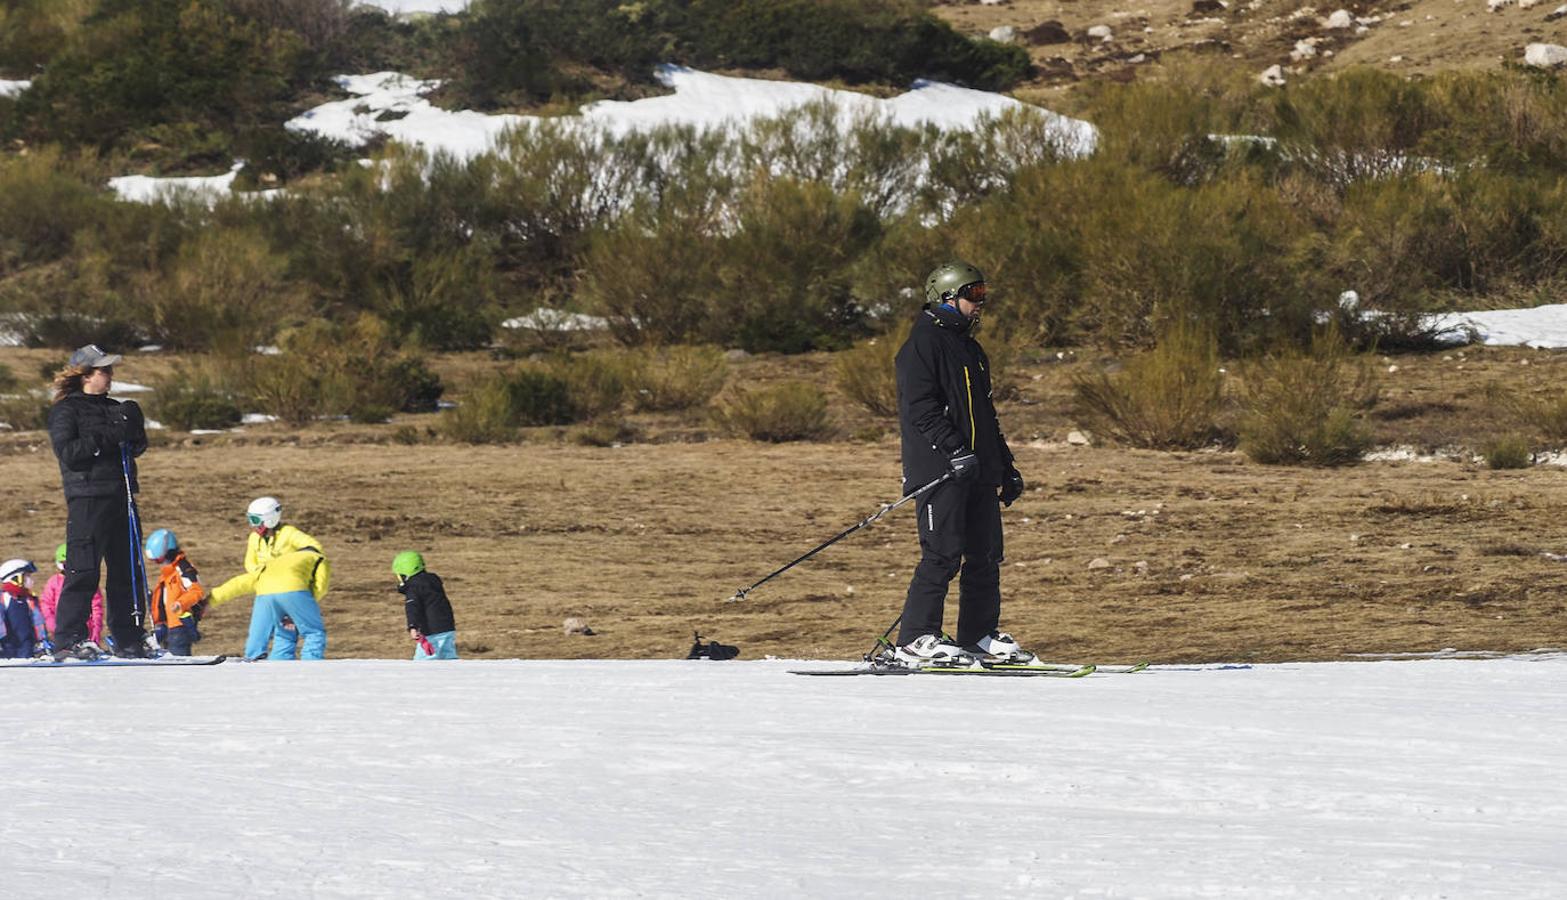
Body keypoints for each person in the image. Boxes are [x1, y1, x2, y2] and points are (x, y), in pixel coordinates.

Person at [890, 261, 1032, 667]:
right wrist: (954, 451)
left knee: (985, 556)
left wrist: (1004, 466)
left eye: (983, 294)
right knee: (942, 555)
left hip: (977, 470)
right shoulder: (922, 345)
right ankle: (916, 639)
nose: (980, 303)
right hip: (941, 469)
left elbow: (986, 416)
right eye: (974, 295)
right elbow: (921, 409)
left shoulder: (970, 348)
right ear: (946, 297)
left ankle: (977, 637)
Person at [47, 344, 151, 661]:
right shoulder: (67, 410)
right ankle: (69, 639)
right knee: (83, 570)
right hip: (88, 497)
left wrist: (135, 426)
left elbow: (135, 447)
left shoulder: (115, 407)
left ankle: (129, 637)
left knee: (126, 570)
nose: (110, 375)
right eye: (104, 370)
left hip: (122, 497)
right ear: (85, 375)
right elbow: (70, 453)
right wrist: (112, 433)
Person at [209, 497, 330, 660]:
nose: (252, 525)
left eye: (255, 520)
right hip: (272, 586)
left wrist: (284, 567)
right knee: (289, 632)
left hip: (284, 585)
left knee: (285, 633)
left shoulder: (289, 534)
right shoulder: (254, 539)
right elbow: (250, 564)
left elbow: (314, 548)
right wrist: (265, 573)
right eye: (249, 520)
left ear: (269, 519)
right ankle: (303, 667)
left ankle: (280, 665)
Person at [144, 529, 207, 657]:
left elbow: (196, 591)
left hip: (181, 625)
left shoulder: (183, 569)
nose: (159, 564)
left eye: (159, 560)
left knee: (178, 657)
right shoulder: (168, 573)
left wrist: (180, 604)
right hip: (168, 627)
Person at [393, 551, 458, 660]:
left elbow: (413, 608)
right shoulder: (433, 582)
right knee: (448, 660)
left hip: (431, 632)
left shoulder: (414, 588)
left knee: (423, 663)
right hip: (447, 628)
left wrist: (413, 627)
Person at [39, 543, 106, 648]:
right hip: (60, 631)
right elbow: (46, 605)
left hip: (85, 631)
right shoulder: (53, 582)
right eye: (63, 564)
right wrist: (53, 626)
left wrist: (95, 631)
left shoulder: (87, 581)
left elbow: (96, 607)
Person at [0, 559, 41, 658]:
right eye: (27, 576)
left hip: (27, 648)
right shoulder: (4, 598)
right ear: (15, 578)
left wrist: (41, 640)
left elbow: (38, 621)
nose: (30, 580)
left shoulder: (29, 599)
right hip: (7, 647)